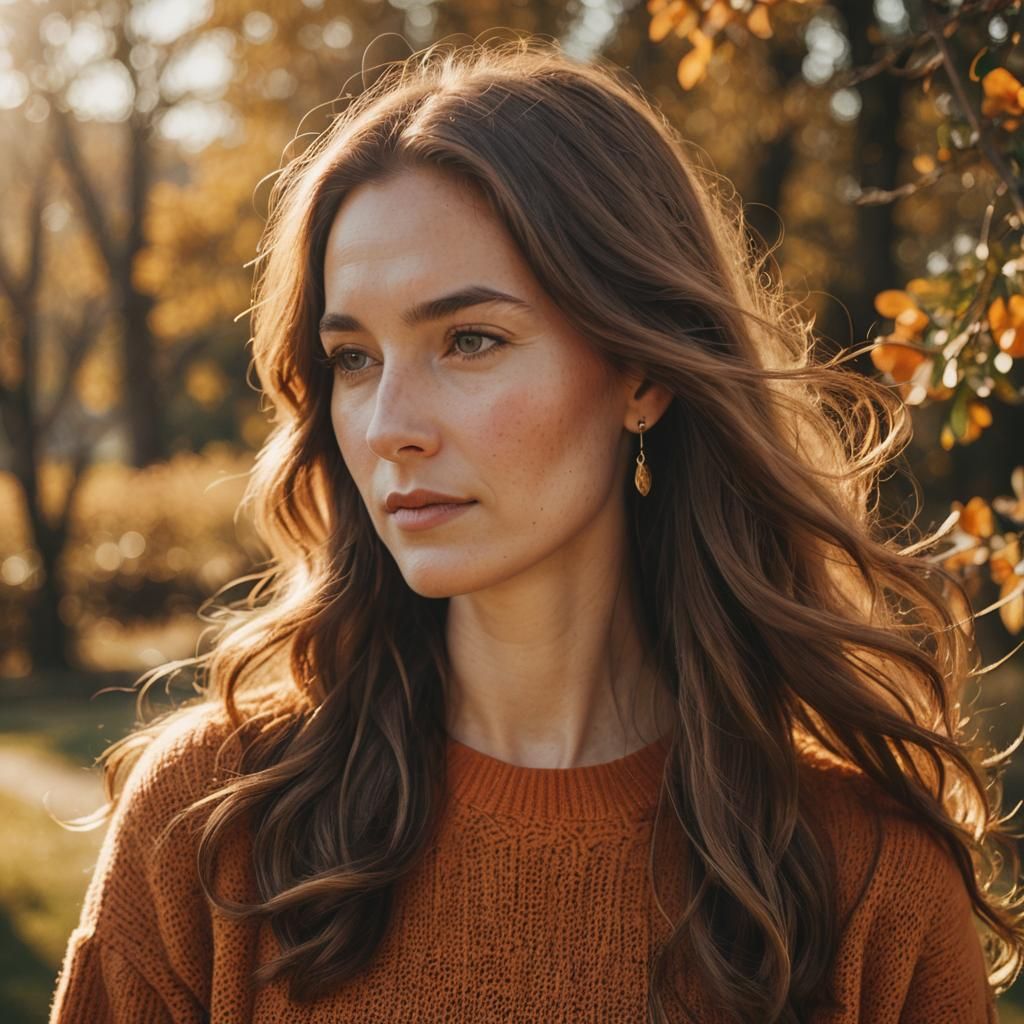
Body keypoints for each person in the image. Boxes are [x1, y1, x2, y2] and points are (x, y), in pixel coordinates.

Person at [48, 34, 1019, 1024]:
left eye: (468, 341)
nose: (389, 426)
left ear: (640, 375)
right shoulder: (213, 823)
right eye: (352, 357)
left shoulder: (865, 876)